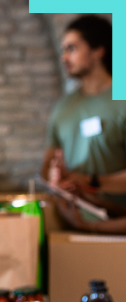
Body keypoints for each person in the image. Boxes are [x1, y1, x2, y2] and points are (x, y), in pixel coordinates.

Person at [41, 15, 126, 208]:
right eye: (63, 50)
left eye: (72, 48)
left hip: (119, 224)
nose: (64, 57)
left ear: (98, 50)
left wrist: (90, 182)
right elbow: (46, 165)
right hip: (73, 219)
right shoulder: (63, 107)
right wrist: (55, 177)